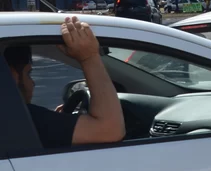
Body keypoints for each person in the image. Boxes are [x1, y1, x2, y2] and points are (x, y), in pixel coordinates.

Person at [6, 16, 125, 149]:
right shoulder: (20, 119)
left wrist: (60, 121)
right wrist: (89, 57)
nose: (33, 83)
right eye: (28, 73)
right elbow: (109, 130)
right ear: (13, 75)